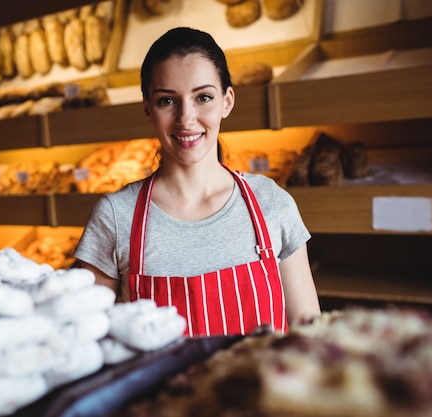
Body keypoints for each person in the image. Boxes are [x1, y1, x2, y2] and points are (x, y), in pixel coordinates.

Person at [75, 27, 320, 337]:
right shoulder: (114, 217)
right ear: (147, 107)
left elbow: (311, 339)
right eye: (167, 101)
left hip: (266, 386)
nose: (186, 118)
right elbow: (95, 348)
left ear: (227, 101)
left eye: (203, 97)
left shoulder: (271, 203)